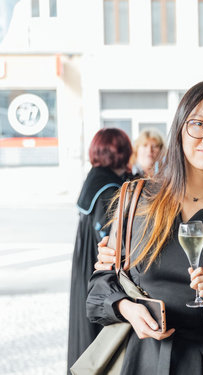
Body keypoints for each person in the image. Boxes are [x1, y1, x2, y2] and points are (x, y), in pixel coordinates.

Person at [86, 80, 203, 374]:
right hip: (140, 359)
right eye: (198, 124)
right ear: (180, 127)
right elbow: (100, 287)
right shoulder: (136, 198)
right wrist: (126, 308)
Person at [67, 128, 132, 372]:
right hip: (99, 271)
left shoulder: (95, 179)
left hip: (83, 267)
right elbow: (110, 242)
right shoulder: (109, 189)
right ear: (122, 152)